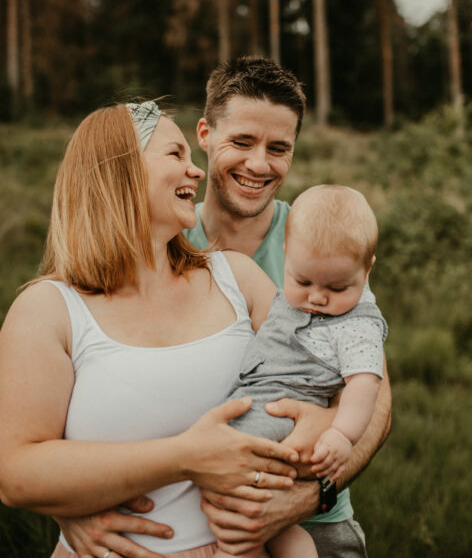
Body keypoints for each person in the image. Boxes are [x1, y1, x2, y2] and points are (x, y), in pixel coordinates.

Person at [57, 57, 392, 558]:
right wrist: (70, 509)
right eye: (242, 142)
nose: (260, 164)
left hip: (308, 514)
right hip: (173, 515)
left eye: (279, 149)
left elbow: (376, 397)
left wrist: (303, 499)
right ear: (205, 134)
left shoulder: (319, 241)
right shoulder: (158, 229)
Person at [0, 101, 304, 558]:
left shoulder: (236, 279)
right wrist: (185, 457)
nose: (196, 171)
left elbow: (324, 374)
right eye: (175, 155)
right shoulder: (48, 309)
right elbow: (16, 472)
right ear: (119, 170)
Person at [215, 184, 388, 558]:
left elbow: (364, 386)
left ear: (367, 269)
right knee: (253, 520)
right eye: (302, 281)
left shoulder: (358, 325)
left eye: (337, 287)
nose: (317, 297)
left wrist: (341, 434)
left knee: (239, 517)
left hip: (283, 428)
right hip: (248, 413)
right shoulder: (286, 283)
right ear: (286, 257)